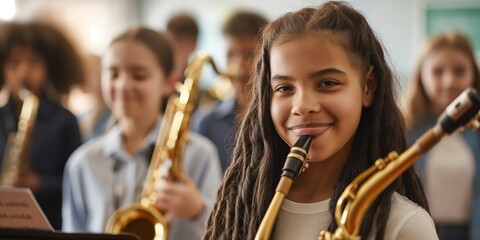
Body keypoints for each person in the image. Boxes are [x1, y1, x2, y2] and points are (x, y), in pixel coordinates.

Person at [204, 2, 438, 240]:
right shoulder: (240, 209)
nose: (303, 106)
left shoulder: (405, 225)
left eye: (327, 83)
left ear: (368, 87)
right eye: (284, 87)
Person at [62, 27, 222, 240]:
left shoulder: (199, 154)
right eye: (113, 73)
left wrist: (198, 210)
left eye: (138, 75)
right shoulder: (82, 163)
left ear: (169, 83)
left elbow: (226, 232)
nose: (123, 85)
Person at [0, 21, 83, 230]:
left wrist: (40, 184)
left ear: (49, 68)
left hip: (50, 225)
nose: (23, 73)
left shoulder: (65, 121)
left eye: (34, 63)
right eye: (14, 63)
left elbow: (78, 183)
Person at [405, 30, 480, 240]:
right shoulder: (404, 129)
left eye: (459, 71)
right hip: (417, 231)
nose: (449, 81)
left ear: (473, 74)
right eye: (438, 71)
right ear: (422, 76)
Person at [192, 11, 268, 172]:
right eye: (230, 55)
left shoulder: (282, 118)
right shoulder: (206, 122)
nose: (236, 66)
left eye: (249, 54)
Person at [166, 13, 199, 83]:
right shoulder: (160, 77)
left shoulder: (197, 84)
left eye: (179, 41)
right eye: (169, 41)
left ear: (193, 44)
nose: (173, 47)